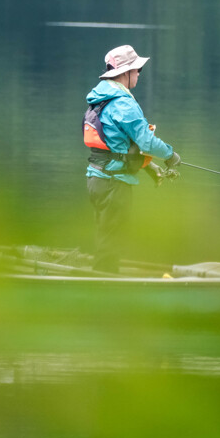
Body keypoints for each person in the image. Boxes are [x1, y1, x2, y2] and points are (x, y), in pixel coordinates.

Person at [84, 45, 181, 273]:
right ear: (125, 72)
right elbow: (146, 141)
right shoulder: (123, 103)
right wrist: (171, 155)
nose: (139, 74)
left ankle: (102, 285)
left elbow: (118, 145)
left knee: (106, 238)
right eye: (137, 70)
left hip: (97, 178)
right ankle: (103, 292)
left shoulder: (101, 98)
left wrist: (150, 167)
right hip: (114, 184)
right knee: (112, 244)